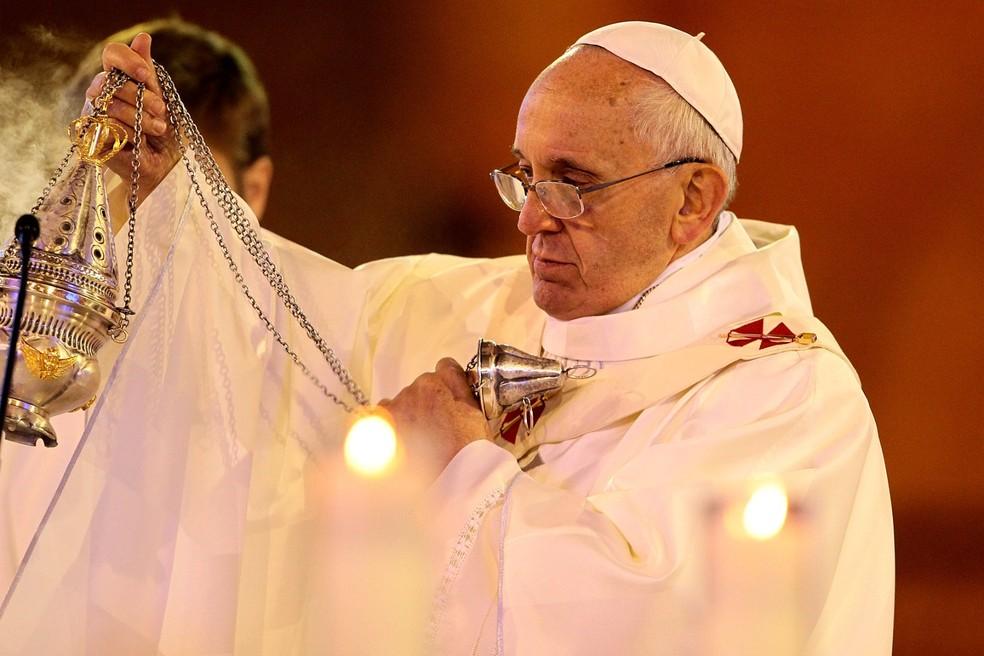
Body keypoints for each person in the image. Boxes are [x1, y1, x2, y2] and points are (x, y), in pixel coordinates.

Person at [0, 22, 893, 655]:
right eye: (523, 178)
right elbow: (289, 339)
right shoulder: (474, 301)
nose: (533, 222)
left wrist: (461, 463)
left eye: (574, 184)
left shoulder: (784, 397)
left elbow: (644, 622)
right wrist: (177, 197)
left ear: (693, 201)